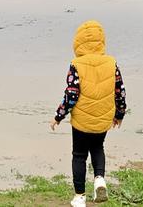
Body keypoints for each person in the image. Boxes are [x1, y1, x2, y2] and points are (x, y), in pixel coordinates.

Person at [49, 20, 127, 206]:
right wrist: (119, 114)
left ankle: (79, 197)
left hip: (82, 121)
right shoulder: (111, 63)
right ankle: (99, 179)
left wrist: (58, 116)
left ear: (78, 42)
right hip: (103, 118)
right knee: (98, 148)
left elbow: (72, 94)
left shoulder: (76, 64)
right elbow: (120, 90)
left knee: (79, 155)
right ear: (102, 41)